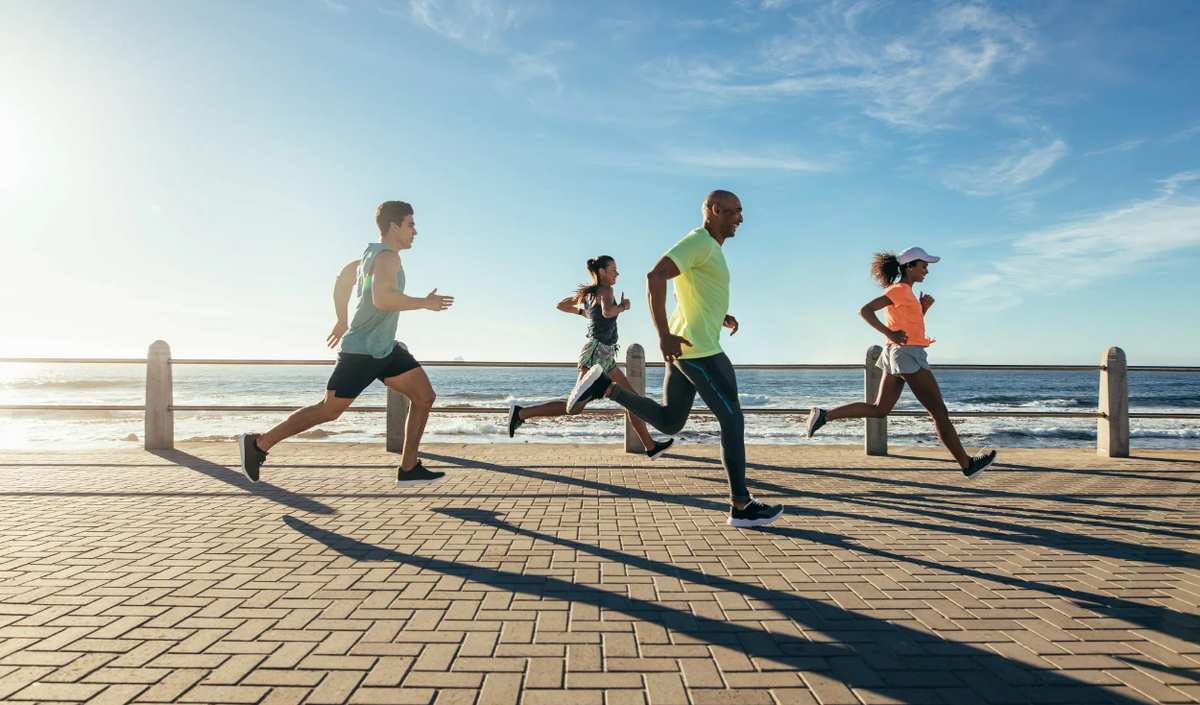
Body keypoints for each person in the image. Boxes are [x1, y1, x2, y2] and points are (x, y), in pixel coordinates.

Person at [564, 191, 785, 528]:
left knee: (670, 423)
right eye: (736, 211)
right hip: (698, 349)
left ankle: (606, 390)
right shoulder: (699, 241)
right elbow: (655, 277)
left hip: (688, 346)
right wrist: (664, 334)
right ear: (715, 210)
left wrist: (720, 315)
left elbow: (694, 292)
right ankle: (741, 505)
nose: (741, 218)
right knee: (733, 419)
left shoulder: (709, 249)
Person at [238, 201, 455, 486]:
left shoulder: (369, 255)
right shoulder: (389, 258)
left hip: (385, 348)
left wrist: (342, 320)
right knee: (329, 410)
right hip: (363, 352)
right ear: (394, 226)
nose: (415, 231)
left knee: (424, 396)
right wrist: (426, 303)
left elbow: (342, 279)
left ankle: (409, 466)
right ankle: (258, 445)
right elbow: (383, 299)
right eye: (411, 224)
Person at [804, 247, 996, 479]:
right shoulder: (900, 290)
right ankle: (967, 464)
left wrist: (922, 311)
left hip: (898, 353)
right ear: (909, 266)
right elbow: (865, 310)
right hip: (907, 355)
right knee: (939, 413)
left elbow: (908, 326)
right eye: (923, 266)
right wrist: (890, 333)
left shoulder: (906, 293)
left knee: (880, 409)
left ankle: (824, 415)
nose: (926, 270)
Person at [507, 256, 674, 459]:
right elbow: (608, 312)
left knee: (632, 401)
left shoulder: (590, 293)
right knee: (573, 408)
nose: (617, 273)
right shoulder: (606, 291)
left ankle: (650, 446)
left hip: (606, 355)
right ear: (602, 271)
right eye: (613, 269)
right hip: (597, 353)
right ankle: (521, 413)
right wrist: (622, 307)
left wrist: (586, 312)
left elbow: (562, 305)